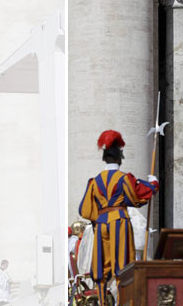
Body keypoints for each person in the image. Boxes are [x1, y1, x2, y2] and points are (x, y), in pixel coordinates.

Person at [78, 129, 159, 306]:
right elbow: (137, 197)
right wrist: (153, 184)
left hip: (101, 224)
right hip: (119, 222)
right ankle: (122, 302)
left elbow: (84, 209)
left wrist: (97, 219)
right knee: (122, 265)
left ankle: (101, 301)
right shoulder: (123, 178)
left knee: (101, 266)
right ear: (119, 159)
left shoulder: (94, 181)